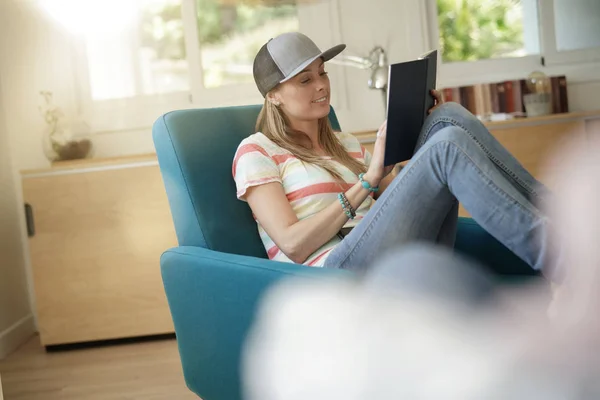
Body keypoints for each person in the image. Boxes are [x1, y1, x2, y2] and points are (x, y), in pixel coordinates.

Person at [232, 31, 561, 283]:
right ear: (273, 95)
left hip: (388, 252)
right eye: (305, 79)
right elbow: (294, 245)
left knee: (447, 117)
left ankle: (569, 224)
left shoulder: (344, 143)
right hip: (334, 273)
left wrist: (418, 126)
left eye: (323, 73)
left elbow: (403, 198)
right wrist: (368, 179)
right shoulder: (257, 152)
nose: (321, 86)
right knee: (445, 146)